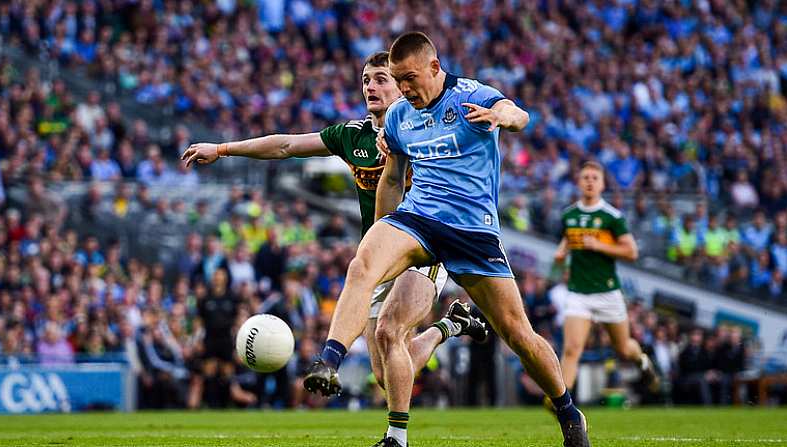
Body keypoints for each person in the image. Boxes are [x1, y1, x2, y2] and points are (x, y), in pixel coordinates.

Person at [304, 32, 589, 447]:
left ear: (435, 68)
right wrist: (380, 233)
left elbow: (518, 113)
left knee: (517, 334)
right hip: (418, 219)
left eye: (409, 78)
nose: (403, 89)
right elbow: (391, 178)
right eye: (397, 80)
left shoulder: (471, 95)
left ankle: (567, 411)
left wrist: (504, 117)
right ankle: (329, 361)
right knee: (362, 265)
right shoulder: (401, 114)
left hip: (473, 230)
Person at [182, 50, 484, 422]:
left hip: (424, 250)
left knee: (391, 332)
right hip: (378, 254)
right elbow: (287, 146)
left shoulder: (425, 129)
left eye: (380, 79)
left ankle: (395, 435)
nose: (370, 86)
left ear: (403, 85)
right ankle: (451, 325)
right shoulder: (351, 136)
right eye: (365, 80)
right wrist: (224, 149)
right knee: (385, 376)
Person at [553, 161, 660, 400]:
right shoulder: (569, 215)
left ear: (602, 184)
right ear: (578, 182)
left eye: (594, 178)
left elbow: (631, 252)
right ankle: (561, 402)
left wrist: (599, 245)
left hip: (607, 292)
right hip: (578, 292)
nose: (590, 181)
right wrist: (562, 252)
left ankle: (642, 360)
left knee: (623, 348)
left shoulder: (612, 217)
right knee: (572, 349)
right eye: (585, 177)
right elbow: (569, 238)